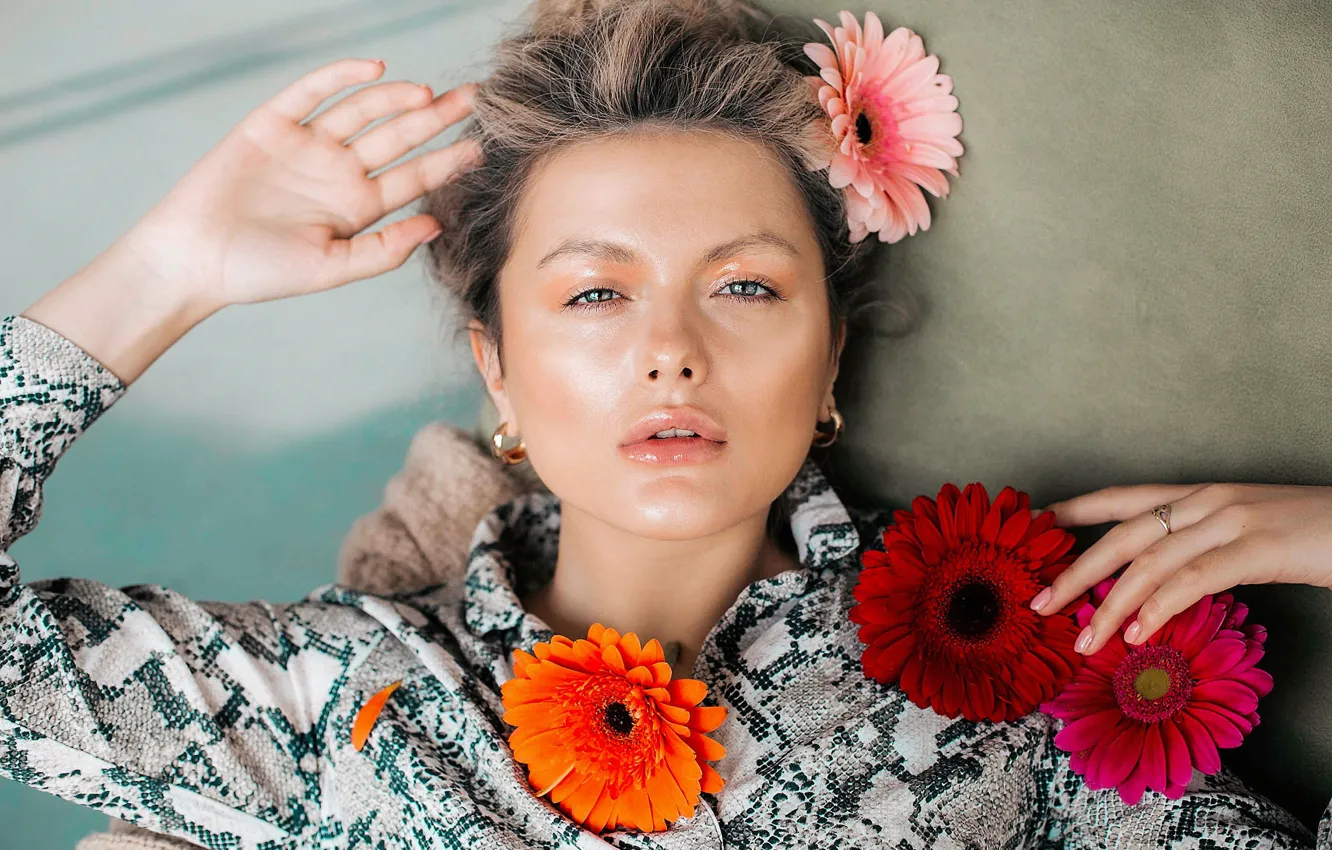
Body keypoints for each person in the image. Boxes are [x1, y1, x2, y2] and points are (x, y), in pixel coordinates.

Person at [3, 0, 1330, 846]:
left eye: (745, 285)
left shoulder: (1011, 719)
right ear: (500, 372)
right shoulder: (340, 704)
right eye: (594, 291)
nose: (670, 351)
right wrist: (160, 276)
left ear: (830, 364)